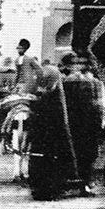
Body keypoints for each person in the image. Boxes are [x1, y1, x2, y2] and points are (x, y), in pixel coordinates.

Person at [28, 65, 78, 201]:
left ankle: (50, 190)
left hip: (52, 134)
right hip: (46, 134)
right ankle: (44, 189)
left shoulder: (54, 96)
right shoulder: (47, 94)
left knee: (49, 161)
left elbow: (56, 116)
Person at [61, 50, 105, 194]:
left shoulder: (69, 81)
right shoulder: (93, 83)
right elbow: (99, 105)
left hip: (79, 124)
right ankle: (83, 183)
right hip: (86, 124)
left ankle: (78, 182)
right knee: (86, 154)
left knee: (79, 153)